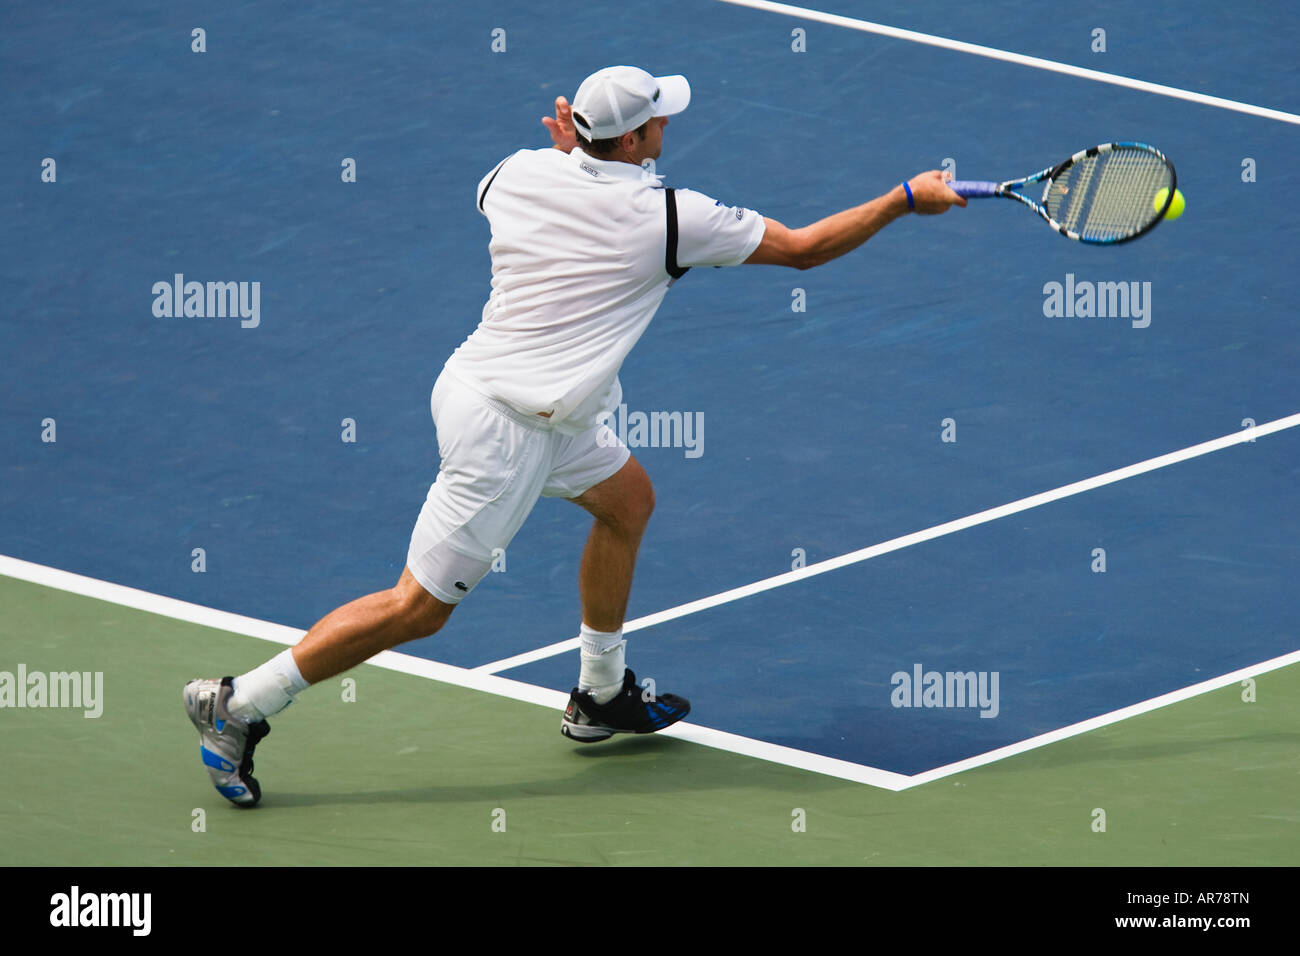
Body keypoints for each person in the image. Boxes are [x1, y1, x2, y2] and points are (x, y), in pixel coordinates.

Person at [184, 65, 965, 806]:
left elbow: (538, 193)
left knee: (627, 501)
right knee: (416, 608)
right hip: (506, 431)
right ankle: (241, 704)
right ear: (630, 141)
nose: (667, 123)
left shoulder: (518, 171)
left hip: (513, 399)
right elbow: (803, 250)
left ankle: (599, 693)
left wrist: (570, 164)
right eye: (656, 118)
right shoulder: (670, 218)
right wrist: (903, 198)